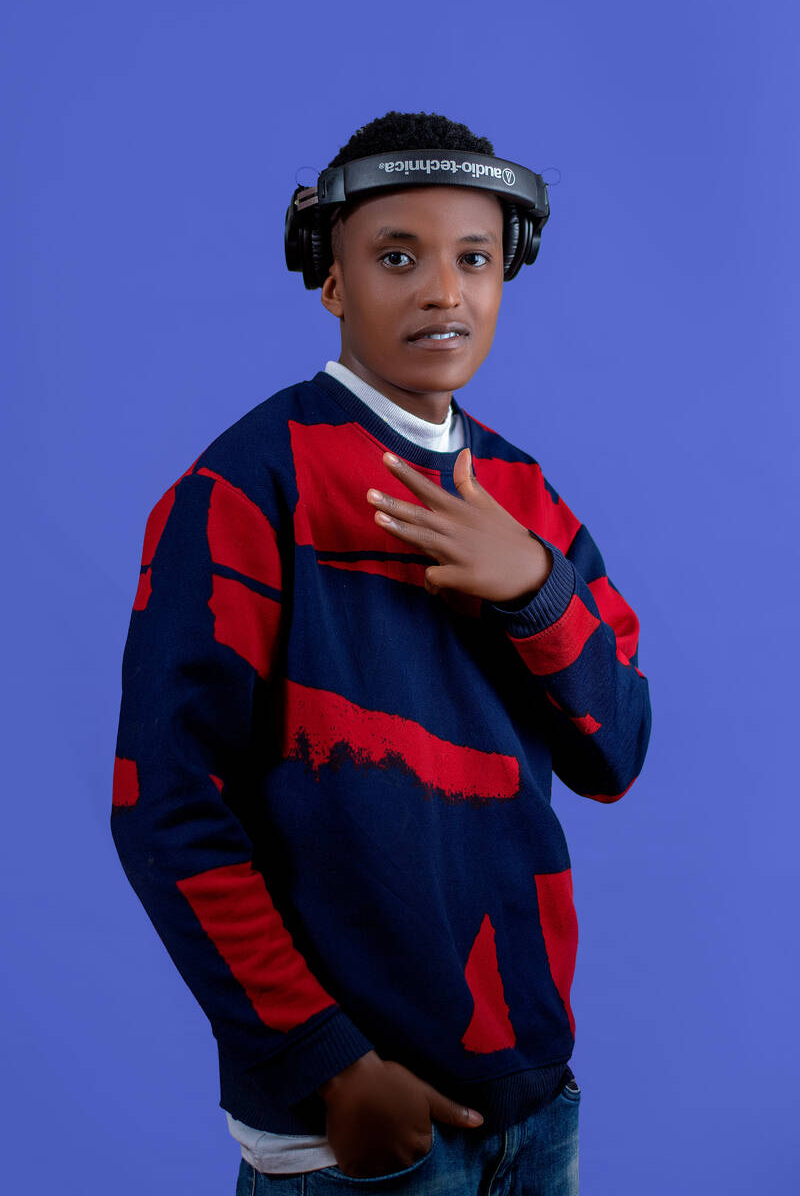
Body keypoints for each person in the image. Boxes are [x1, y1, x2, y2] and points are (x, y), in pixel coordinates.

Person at [111, 110, 652, 1196]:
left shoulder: (526, 498)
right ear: (330, 278)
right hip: (354, 1128)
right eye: (397, 257)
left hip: (536, 1105)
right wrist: (327, 1068)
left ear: (507, 272)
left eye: (474, 259)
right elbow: (165, 807)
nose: (443, 292)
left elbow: (616, 753)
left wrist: (534, 587)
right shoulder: (242, 489)